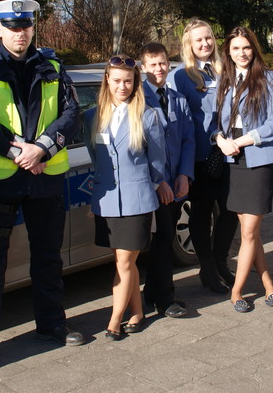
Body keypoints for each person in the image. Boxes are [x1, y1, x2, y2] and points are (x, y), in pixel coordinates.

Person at [0, 0, 84, 371]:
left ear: (33, 28)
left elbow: (71, 114)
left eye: (25, 27)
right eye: (12, 27)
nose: (20, 33)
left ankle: (52, 326)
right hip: (0, 179)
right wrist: (16, 151)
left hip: (44, 178)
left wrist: (42, 148)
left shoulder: (53, 66)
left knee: (48, 257)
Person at [84, 55, 167, 340]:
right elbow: (97, 158)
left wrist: (152, 186)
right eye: (117, 80)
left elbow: (158, 161)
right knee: (124, 262)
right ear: (107, 79)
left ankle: (114, 319)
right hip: (107, 200)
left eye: (128, 81)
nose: (122, 86)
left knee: (123, 262)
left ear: (136, 83)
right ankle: (138, 312)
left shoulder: (147, 115)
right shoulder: (92, 116)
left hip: (137, 199)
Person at [214, 27, 273, 312]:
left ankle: (236, 291)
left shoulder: (268, 78)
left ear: (254, 48)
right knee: (248, 231)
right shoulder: (224, 80)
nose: (241, 53)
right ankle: (268, 284)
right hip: (233, 162)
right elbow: (214, 122)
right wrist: (219, 140)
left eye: (246, 48)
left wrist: (240, 141)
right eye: (235, 49)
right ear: (228, 53)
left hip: (257, 158)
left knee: (249, 231)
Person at [168, 19, 238, 293]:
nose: (205, 44)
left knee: (230, 210)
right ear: (189, 44)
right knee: (201, 212)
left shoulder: (225, 70)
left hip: (230, 152)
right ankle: (207, 268)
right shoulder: (180, 76)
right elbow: (179, 121)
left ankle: (220, 262)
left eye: (208, 38)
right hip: (200, 155)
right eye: (198, 40)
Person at [139, 42, 195, 318]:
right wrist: (158, 180)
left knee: (166, 236)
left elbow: (187, 139)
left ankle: (152, 291)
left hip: (176, 182)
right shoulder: (137, 99)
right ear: (143, 67)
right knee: (161, 239)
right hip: (153, 183)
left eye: (163, 63)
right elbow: (139, 145)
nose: (159, 69)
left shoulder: (178, 99)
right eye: (153, 65)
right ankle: (164, 297)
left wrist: (185, 174)